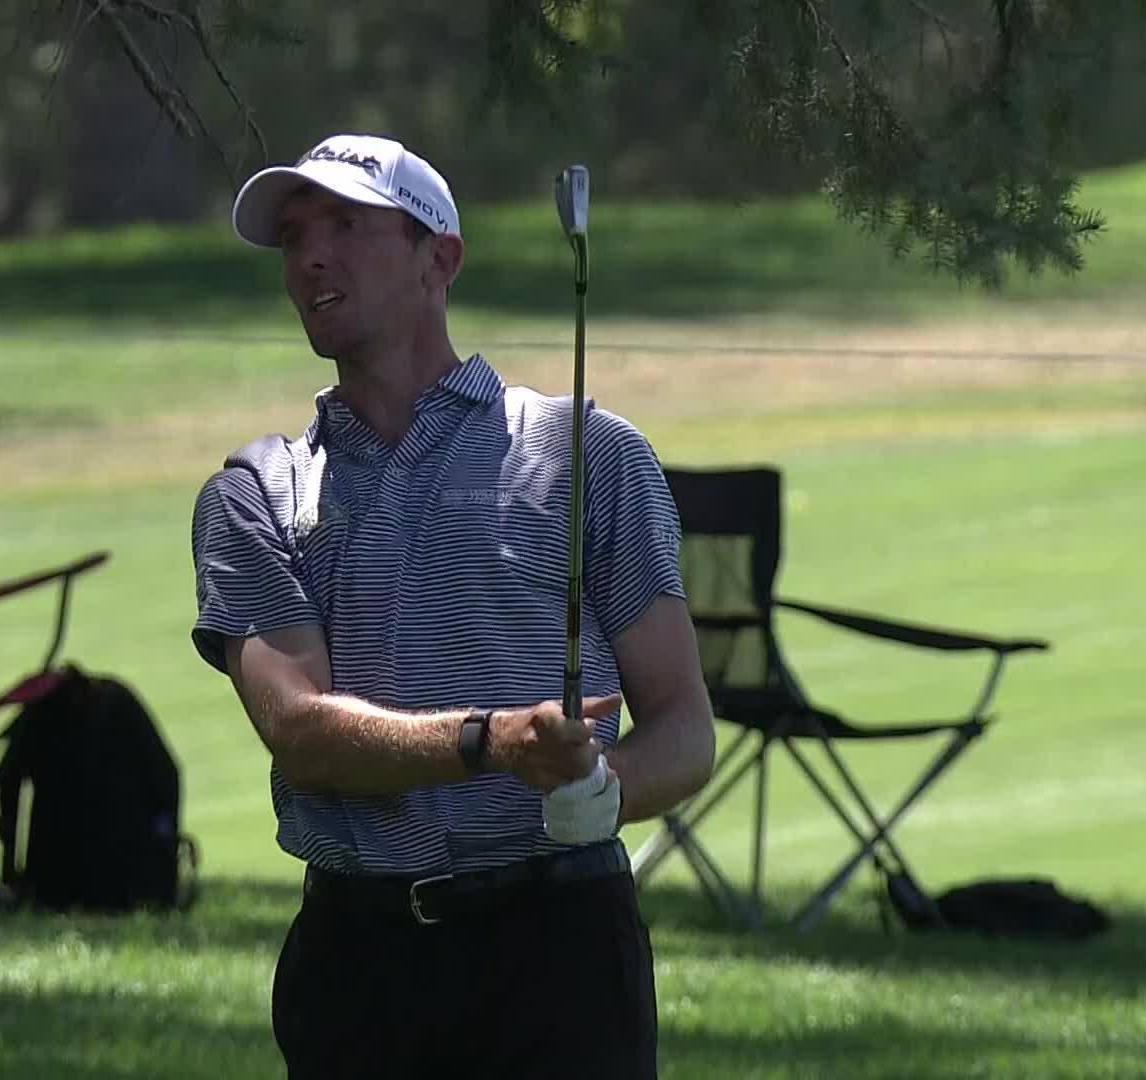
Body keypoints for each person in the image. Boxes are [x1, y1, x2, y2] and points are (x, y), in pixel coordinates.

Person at [189, 132, 716, 1080]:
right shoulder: (256, 495)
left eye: (346, 225)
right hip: (360, 961)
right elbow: (302, 734)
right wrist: (489, 742)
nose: (311, 255)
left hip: (561, 954)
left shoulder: (587, 452)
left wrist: (608, 794)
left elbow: (684, 729)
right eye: (295, 236)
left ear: (441, 257)